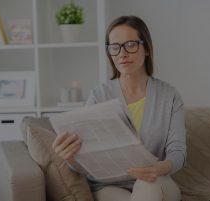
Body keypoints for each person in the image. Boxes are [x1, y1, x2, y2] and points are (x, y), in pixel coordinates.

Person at [52, 15, 186, 201]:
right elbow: (84, 162)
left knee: (147, 185)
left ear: (146, 48)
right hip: (109, 187)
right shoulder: (98, 96)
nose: (122, 54)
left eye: (130, 45)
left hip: (157, 180)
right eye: (115, 47)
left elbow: (178, 153)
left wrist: (159, 168)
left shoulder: (169, 96)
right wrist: (70, 158)